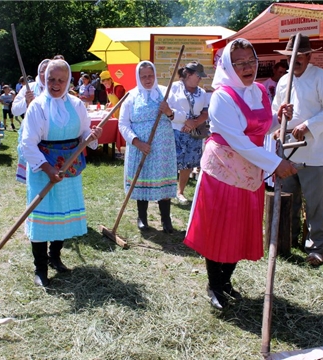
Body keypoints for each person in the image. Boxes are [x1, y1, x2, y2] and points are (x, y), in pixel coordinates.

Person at [184, 38, 298, 309]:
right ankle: (214, 284)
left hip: (249, 172)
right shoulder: (221, 96)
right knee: (220, 228)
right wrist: (274, 163)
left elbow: (260, 125)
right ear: (228, 66)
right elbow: (238, 140)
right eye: (240, 63)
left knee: (240, 227)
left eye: (252, 61)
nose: (248, 67)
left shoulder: (258, 90)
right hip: (223, 172)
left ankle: (226, 281)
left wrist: (277, 116)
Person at [20, 59, 102, 287]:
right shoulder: (37, 106)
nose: (55, 84)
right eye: (51, 79)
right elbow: (28, 144)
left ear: (68, 82)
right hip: (42, 169)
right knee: (43, 215)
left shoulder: (77, 105)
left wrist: (92, 136)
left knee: (62, 213)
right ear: (44, 79)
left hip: (69, 168)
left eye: (60, 80)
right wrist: (47, 169)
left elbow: (84, 134)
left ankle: (55, 257)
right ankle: (40, 268)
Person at [273, 34, 323, 266]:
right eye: (292, 58)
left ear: (309, 56)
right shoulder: (284, 81)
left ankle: (316, 247)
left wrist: (308, 125)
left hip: (313, 150)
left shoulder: (322, 78)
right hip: (289, 151)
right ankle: (288, 241)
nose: (296, 62)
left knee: (313, 203)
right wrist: (276, 127)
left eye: (300, 57)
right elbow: (276, 111)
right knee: (288, 199)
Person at [118, 61, 178, 234]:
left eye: (150, 75)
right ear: (138, 77)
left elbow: (180, 117)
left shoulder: (165, 93)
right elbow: (123, 124)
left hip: (163, 146)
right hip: (140, 147)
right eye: (143, 76)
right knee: (141, 177)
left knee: (162, 177)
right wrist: (137, 142)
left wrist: (169, 112)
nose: (147, 79)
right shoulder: (131, 96)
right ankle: (142, 218)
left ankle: (166, 219)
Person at [170, 61, 209, 205]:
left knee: (188, 163)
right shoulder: (174, 87)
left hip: (193, 132)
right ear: (188, 74)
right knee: (172, 161)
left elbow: (205, 113)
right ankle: (167, 190)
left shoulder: (202, 92)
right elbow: (168, 108)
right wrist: (185, 121)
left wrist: (194, 122)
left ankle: (180, 192)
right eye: (198, 75)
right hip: (175, 129)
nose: (200, 79)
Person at [13, 59, 50, 184]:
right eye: (42, 71)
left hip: (49, 136)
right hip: (30, 133)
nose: (44, 74)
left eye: (47, 71)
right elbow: (14, 110)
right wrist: (26, 101)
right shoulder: (29, 88)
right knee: (33, 174)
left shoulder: (57, 88)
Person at [261, 61, 288, 189]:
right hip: (269, 119)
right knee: (270, 148)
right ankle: (268, 179)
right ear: (275, 71)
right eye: (280, 72)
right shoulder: (265, 85)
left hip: (280, 120)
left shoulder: (286, 84)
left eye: (284, 72)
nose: (282, 75)